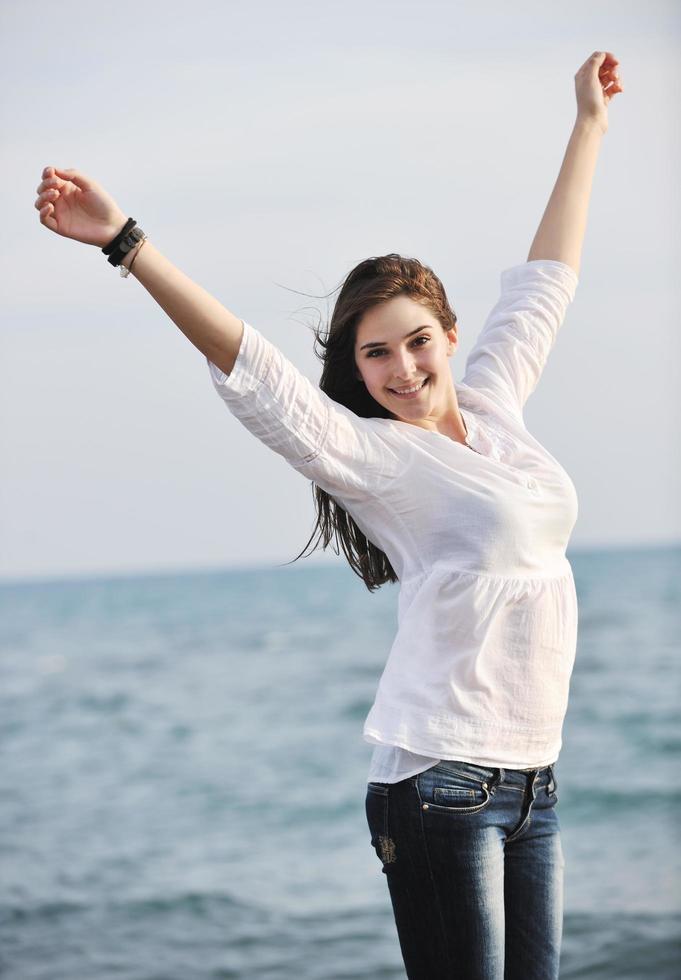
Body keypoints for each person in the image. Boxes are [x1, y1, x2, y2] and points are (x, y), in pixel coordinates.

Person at [34, 50, 623, 980]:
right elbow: (260, 375)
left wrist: (587, 123)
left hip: (532, 785)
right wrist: (127, 244)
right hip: (439, 785)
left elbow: (547, 281)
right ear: (360, 367)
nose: (402, 370)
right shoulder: (379, 458)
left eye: (417, 342)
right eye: (376, 354)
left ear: (449, 335)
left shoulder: (498, 408)